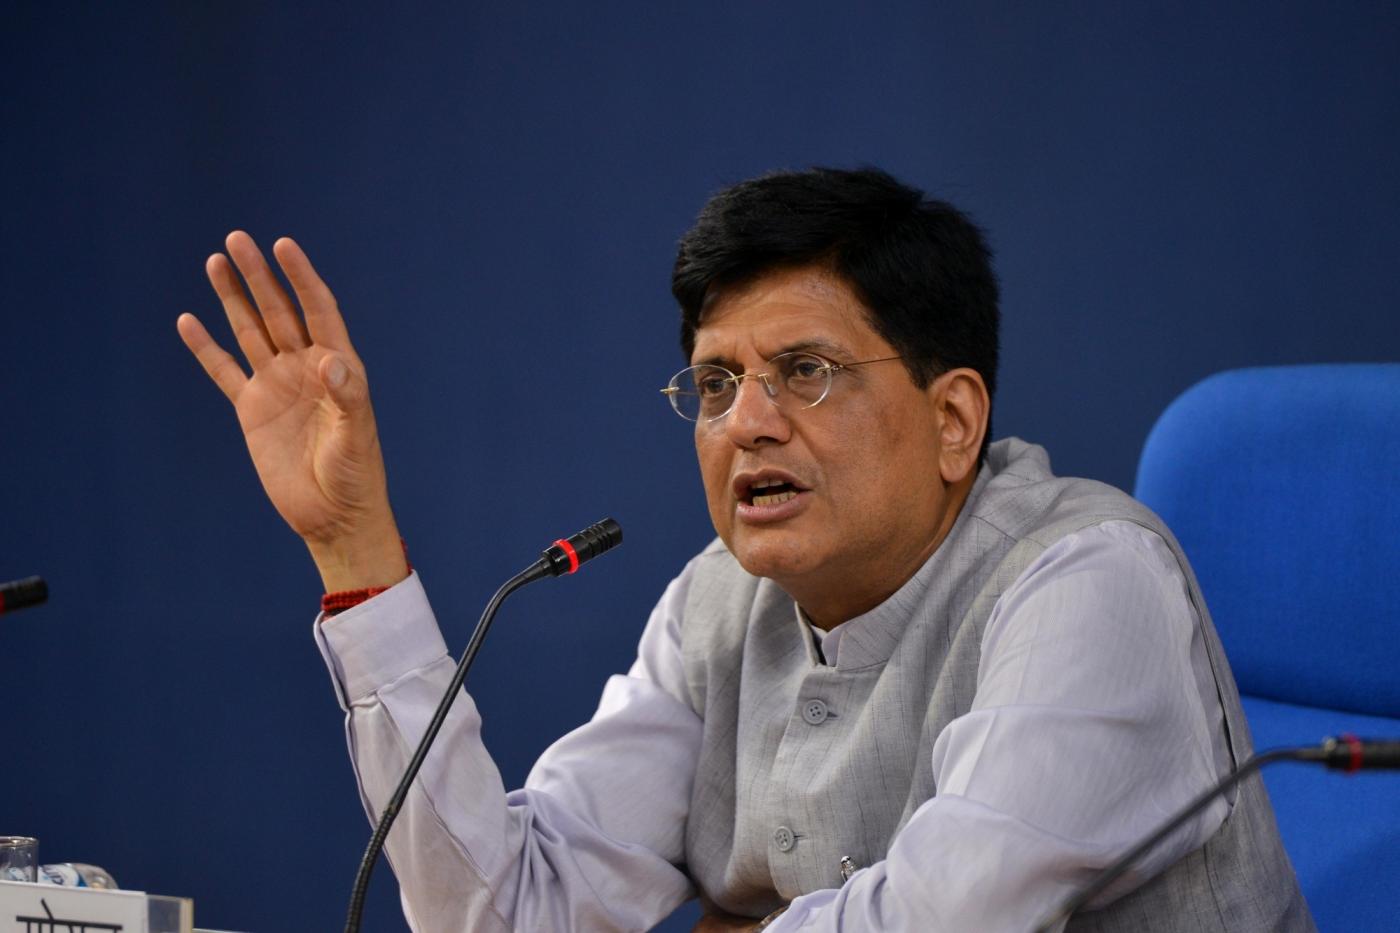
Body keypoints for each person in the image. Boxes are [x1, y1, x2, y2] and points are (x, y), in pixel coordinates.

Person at [177, 167, 1313, 932]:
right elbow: (505, 911)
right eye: (716, 383)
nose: (747, 421)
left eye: (805, 372)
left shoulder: (1086, 578)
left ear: (953, 421)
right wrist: (353, 546)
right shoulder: (718, 606)